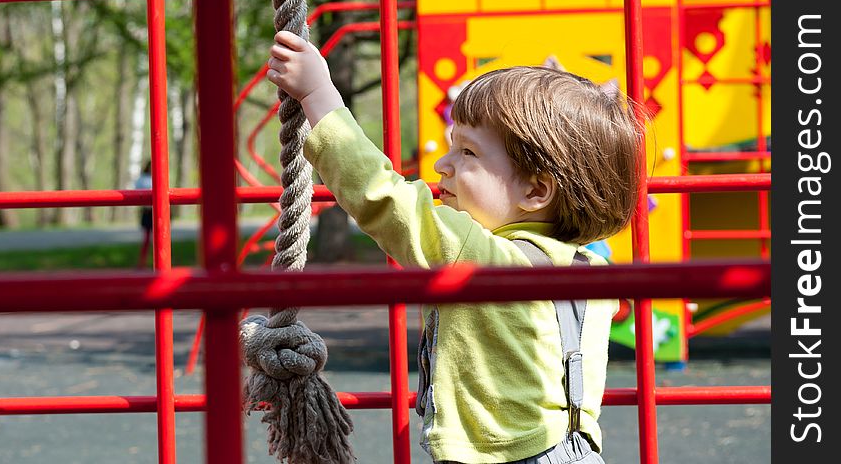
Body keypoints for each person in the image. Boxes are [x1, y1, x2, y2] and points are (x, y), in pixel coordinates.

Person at [266, 30, 644, 464]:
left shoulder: (486, 260)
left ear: (536, 191)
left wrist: (318, 94)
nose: (442, 166)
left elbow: (384, 199)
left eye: (468, 153)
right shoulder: (588, 268)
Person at [135, 160, 153, 269]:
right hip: (147, 211)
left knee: (161, 239)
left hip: (155, 210)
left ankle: (159, 264)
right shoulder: (143, 179)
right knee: (146, 240)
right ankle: (142, 263)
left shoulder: (157, 177)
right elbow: (137, 191)